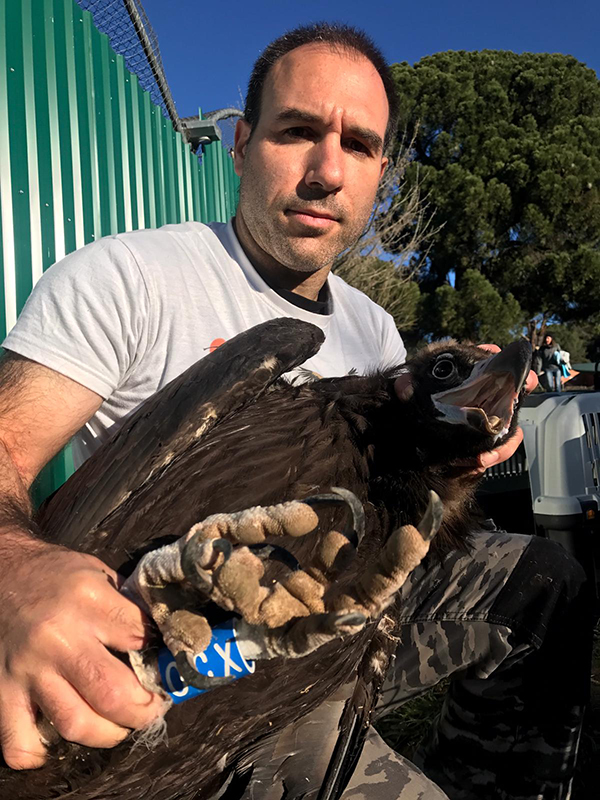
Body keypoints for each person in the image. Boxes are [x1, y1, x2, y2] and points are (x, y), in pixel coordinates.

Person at [0, 22, 592, 800]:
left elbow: (405, 524)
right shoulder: (130, 275)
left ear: (380, 169)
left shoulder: (371, 329)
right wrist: (16, 575)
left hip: (344, 614)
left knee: (544, 580)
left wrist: (452, 471)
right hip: (197, 655)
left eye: (358, 145)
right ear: (243, 143)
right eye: (298, 132)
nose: (326, 171)